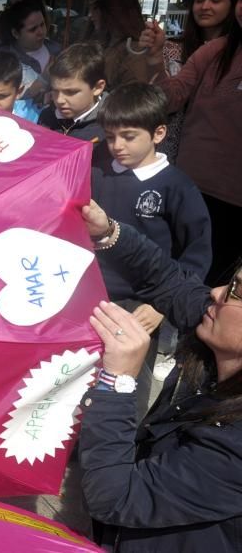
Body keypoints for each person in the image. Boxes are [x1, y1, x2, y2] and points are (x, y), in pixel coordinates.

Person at [77, 199, 242, 552]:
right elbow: (168, 281)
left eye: (236, 293)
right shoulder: (213, 333)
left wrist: (118, 381)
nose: (215, 291)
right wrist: (108, 233)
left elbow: (116, 497)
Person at [92, 82, 212, 408]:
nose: (117, 145)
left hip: (140, 305)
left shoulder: (178, 187)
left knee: (126, 386)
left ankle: (124, 449)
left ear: (158, 133)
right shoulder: (95, 170)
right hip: (89, 293)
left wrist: (163, 305)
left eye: (129, 136)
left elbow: (197, 254)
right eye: (110, 135)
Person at [138, 0, 242, 286]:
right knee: (178, 281)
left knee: (219, 293)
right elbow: (170, 99)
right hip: (191, 188)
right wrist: (155, 56)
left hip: (236, 201)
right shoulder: (216, 51)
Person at [161, 0, 241, 160]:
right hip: (169, 150)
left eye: (215, 0)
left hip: (217, 158)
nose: (205, 7)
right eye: (199, 0)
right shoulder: (170, 48)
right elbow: (162, 98)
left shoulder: (235, 55)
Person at [86, 0, 155, 89]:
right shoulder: (102, 41)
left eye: (95, 8)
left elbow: (134, 100)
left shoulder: (135, 52)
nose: (90, 14)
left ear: (114, 8)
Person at [38, 42, 107, 142]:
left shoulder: (109, 128)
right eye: (55, 90)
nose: (59, 100)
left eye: (71, 92)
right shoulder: (46, 117)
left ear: (97, 88)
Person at [0, 1, 60, 103]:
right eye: (33, 29)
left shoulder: (57, 51)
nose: (41, 32)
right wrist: (44, 80)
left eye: (42, 25)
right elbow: (4, 99)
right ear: (15, 33)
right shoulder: (4, 61)